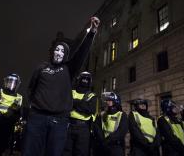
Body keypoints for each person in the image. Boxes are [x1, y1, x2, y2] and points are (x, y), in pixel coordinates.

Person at [22, 17, 100, 156]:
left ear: (65, 55)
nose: (59, 53)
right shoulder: (41, 68)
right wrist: (34, 106)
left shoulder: (68, 69)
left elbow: (82, 53)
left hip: (59, 121)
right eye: (57, 50)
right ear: (53, 52)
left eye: (62, 51)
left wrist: (92, 32)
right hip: (37, 117)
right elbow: (30, 89)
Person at [63, 71, 97, 156]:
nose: (85, 80)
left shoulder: (92, 95)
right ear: (79, 79)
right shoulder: (71, 92)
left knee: (81, 153)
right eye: (83, 78)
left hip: (83, 128)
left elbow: (90, 109)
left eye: (87, 79)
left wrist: (74, 103)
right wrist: (82, 104)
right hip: (68, 125)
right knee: (65, 152)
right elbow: (65, 105)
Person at [92, 92, 128, 156]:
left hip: (116, 146)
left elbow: (122, 131)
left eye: (110, 100)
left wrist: (108, 140)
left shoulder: (122, 115)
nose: (107, 102)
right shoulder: (102, 114)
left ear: (115, 102)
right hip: (103, 145)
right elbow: (97, 127)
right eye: (107, 100)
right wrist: (102, 140)